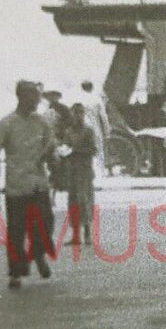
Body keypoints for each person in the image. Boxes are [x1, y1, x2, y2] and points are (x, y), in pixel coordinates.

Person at [0, 80, 58, 289]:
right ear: (22, 96)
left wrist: (51, 154)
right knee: (17, 230)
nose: (38, 100)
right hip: (17, 185)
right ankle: (16, 273)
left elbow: (52, 145)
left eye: (38, 96)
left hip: (39, 183)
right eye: (34, 96)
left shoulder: (42, 122)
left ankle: (37, 254)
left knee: (45, 224)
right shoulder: (7, 123)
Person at [65, 101, 98, 246]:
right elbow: (65, 147)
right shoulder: (69, 132)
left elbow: (93, 150)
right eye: (75, 113)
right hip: (72, 170)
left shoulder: (89, 131)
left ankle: (87, 233)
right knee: (73, 201)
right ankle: (75, 235)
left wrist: (76, 151)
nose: (78, 116)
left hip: (84, 170)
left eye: (80, 113)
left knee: (84, 200)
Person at [79, 80, 110, 176]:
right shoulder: (96, 100)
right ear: (92, 88)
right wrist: (107, 131)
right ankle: (100, 173)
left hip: (82, 128)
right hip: (95, 128)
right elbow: (103, 117)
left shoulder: (79, 100)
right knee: (99, 151)